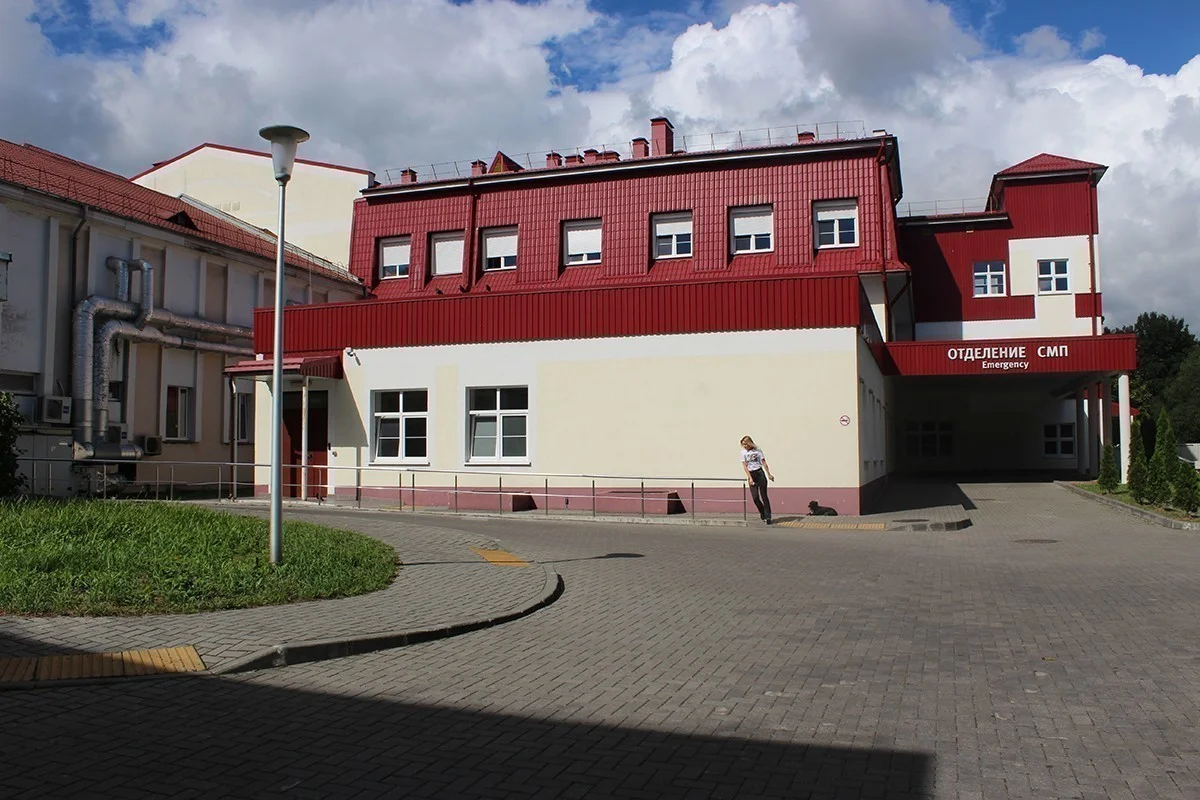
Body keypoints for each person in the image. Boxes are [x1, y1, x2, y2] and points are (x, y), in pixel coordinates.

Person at [740, 435, 774, 524]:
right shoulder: (743, 453)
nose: (745, 446)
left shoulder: (758, 450)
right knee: (755, 498)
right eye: (743, 445)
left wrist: (769, 474)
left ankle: (768, 516)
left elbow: (764, 462)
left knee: (764, 496)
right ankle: (762, 512)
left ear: (749, 443)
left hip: (759, 473)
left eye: (746, 444)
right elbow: (745, 466)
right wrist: (750, 478)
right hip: (751, 474)